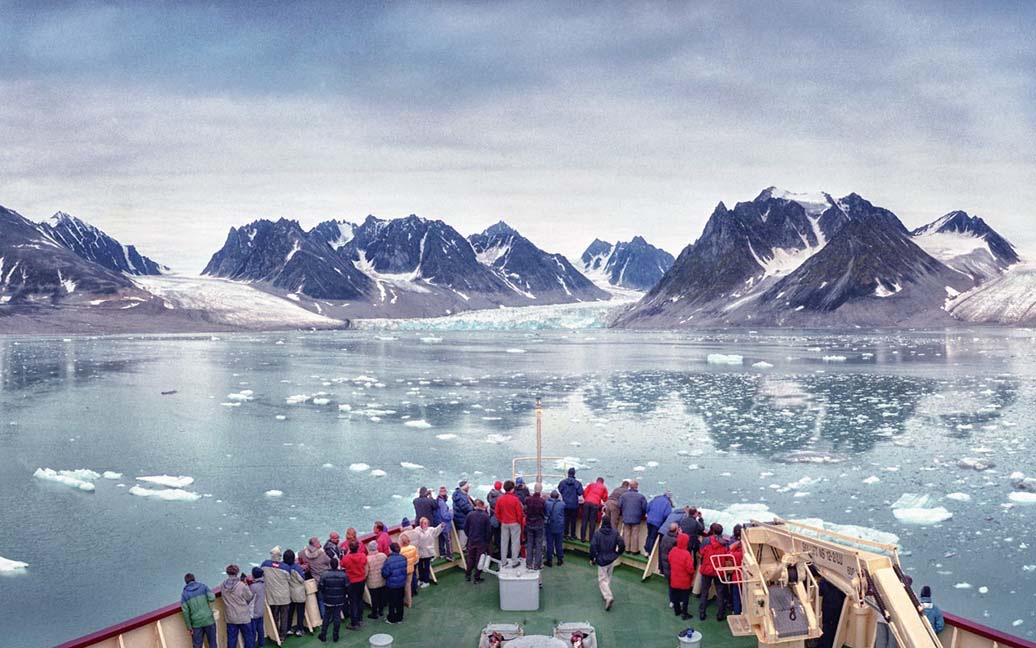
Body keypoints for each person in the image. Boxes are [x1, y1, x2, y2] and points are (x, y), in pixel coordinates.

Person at [588, 517, 625, 611]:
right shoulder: (615, 532)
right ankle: (605, 595)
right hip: (611, 558)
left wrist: (592, 558)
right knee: (608, 577)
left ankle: (608, 596)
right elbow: (621, 543)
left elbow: (593, 546)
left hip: (601, 559)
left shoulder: (598, 534)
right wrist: (618, 553)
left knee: (602, 580)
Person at [699, 524, 729, 621]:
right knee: (720, 593)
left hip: (707, 570)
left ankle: (702, 613)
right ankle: (720, 615)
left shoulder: (707, 541)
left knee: (704, 592)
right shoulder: (725, 543)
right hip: (718, 571)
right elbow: (727, 555)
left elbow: (701, 553)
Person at [261, 546, 292, 639]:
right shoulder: (285, 568)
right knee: (284, 617)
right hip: (284, 597)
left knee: (274, 616)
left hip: (272, 597)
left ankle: (276, 634)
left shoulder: (265, 565)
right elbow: (289, 579)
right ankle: (283, 635)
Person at [222, 565, 255, 648]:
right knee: (248, 637)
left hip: (230, 617)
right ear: (237, 573)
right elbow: (249, 596)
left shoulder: (222, 585)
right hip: (243, 616)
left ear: (227, 573)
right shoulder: (241, 585)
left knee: (232, 639)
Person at [180, 573, 217, 648]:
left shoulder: (185, 594)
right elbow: (212, 598)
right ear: (194, 579)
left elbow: (185, 612)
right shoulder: (203, 587)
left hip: (196, 623)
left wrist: (189, 627)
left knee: (197, 645)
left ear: (186, 582)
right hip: (208, 619)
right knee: (212, 643)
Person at [317, 557, 348, 643]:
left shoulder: (324, 575)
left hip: (328, 599)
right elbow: (347, 587)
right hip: (339, 599)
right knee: (337, 616)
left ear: (330, 565)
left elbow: (320, 587)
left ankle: (323, 635)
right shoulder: (343, 575)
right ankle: (335, 636)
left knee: (326, 617)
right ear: (338, 565)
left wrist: (325, 594)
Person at [495, 479, 525, 566]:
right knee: (515, 542)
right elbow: (519, 513)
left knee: (504, 542)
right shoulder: (515, 500)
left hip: (504, 522)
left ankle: (503, 561)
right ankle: (515, 561)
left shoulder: (500, 499)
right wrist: (518, 521)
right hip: (515, 523)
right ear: (512, 489)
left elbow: (497, 512)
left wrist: (501, 520)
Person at [301, 536, 332, 618]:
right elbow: (330, 562)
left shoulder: (304, 554)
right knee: (329, 598)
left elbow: (300, 555)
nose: (319, 543)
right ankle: (331, 615)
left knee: (321, 600)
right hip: (326, 580)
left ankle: (324, 616)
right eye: (318, 542)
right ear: (314, 545)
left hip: (317, 581)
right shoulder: (322, 554)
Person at [668, 533, 696, 619]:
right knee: (685, 598)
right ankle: (684, 613)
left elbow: (669, 560)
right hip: (684, 580)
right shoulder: (686, 554)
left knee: (675, 595)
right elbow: (690, 569)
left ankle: (677, 611)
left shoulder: (673, 550)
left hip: (674, 578)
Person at [341, 540, 368, 630]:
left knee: (353, 602)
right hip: (361, 580)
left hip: (351, 582)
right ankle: (359, 618)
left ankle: (354, 622)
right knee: (360, 599)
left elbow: (342, 565)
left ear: (349, 548)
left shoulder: (346, 558)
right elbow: (364, 563)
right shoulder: (363, 556)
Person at [412, 517, 446, 587]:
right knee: (420, 567)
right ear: (420, 524)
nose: (426, 524)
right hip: (420, 552)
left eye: (426, 523)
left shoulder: (431, 530)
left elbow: (437, 531)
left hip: (428, 553)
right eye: (424, 523)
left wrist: (441, 526)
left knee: (426, 567)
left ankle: (426, 581)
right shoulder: (417, 530)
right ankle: (421, 580)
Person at [464, 499, 493, 582]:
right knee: (479, 559)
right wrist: (487, 540)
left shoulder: (469, 515)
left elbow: (465, 527)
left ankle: (467, 575)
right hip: (482, 541)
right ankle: (477, 577)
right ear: (483, 506)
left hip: (472, 539)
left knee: (470, 558)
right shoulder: (485, 516)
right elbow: (488, 531)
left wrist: (469, 536)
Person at [618, 479, 648, 555]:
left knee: (626, 533)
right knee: (635, 534)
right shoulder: (641, 497)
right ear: (636, 486)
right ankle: (634, 550)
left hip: (626, 517)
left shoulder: (623, 495)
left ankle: (626, 549)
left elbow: (619, 505)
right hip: (636, 518)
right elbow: (645, 508)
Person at [382, 543, 409, 624]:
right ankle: (399, 617)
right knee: (400, 601)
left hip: (392, 585)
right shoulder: (403, 558)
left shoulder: (388, 560)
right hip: (401, 583)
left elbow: (385, 573)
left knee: (392, 602)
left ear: (391, 549)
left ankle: (392, 618)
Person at [282, 549, 307, 636]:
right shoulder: (296, 568)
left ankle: (288, 628)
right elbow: (301, 579)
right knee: (300, 611)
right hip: (299, 592)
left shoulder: (283, 567)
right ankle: (300, 629)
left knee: (290, 611)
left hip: (289, 592)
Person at [525, 482, 547, 569]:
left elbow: (525, 510)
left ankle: (529, 563)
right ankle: (537, 564)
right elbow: (545, 512)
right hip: (539, 524)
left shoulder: (528, 499)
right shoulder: (542, 501)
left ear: (534, 489)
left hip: (529, 524)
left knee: (529, 543)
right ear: (541, 490)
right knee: (538, 544)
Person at [557, 468, 584, 539]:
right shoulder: (577, 483)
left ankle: (565, 534)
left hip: (565, 504)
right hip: (574, 505)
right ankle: (572, 535)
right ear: (574, 474)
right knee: (573, 520)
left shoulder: (562, 482)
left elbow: (560, 489)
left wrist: (565, 495)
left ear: (568, 473)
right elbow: (580, 492)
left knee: (565, 519)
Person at [645, 490, 673, 555]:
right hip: (657, 522)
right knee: (653, 537)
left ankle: (646, 550)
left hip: (649, 520)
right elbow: (667, 514)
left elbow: (648, 507)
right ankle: (650, 552)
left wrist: (649, 515)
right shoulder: (667, 503)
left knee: (649, 535)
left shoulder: (656, 499)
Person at [580, 477, 608, 542]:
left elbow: (584, 493)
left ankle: (582, 538)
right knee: (592, 522)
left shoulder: (591, 484)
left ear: (596, 480)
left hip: (587, 503)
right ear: (602, 482)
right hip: (595, 504)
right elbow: (605, 498)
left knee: (584, 521)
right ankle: (591, 539)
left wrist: (587, 498)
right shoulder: (604, 488)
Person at [365, 541, 388, 619]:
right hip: (382, 580)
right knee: (381, 596)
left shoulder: (367, 559)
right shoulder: (383, 556)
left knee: (374, 598)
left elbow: (366, 572)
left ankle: (374, 613)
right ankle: (381, 610)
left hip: (372, 582)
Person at [544, 489, 566, 567]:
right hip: (559, 526)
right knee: (558, 543)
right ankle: (560, 559)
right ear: (557, 496)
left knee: (549, 543)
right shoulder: (562, 504)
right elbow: (563, 505)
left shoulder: (546, 503)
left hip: (549, 526)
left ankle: (549, 560)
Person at [452, 480, 475, 550]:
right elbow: (465, 507)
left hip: (461, 518)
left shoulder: (460, 495)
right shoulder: (461, 497)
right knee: (463, 538)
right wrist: (474, 508)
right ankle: (462, 549)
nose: (469, 488)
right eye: (468, 486)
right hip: (462, 520)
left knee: (463, 536)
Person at [399, 533, 419, 607]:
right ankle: (409, 602)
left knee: (403, 585)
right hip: (410, 569)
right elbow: (416, 558)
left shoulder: (400, 550)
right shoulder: (413, 548)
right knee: (408, 585)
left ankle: (405, 600)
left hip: (403, 570)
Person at [248, 567, 266, 647]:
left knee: (252, 631)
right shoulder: (264, 584)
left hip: (253, 612)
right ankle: (261, 644)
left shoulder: (253, 587)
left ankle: (252, 645)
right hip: (261, 610)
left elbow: (248, 598)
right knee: (260, 629)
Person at [436, 486, 454, 557]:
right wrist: (451, 514)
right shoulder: (442, 503)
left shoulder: (437, 501)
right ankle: (450, 556)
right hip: (445, 525)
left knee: (441, 539)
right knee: (448, 540)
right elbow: (445, 515)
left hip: (439, 523)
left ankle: (442, 554)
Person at [487, 480, 503, 556]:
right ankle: (500, 550)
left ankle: (493, 551)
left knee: (494, 534)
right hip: (499, 517)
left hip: (492, 516)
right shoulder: (501, 496)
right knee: (499, 535)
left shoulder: (489, 494)